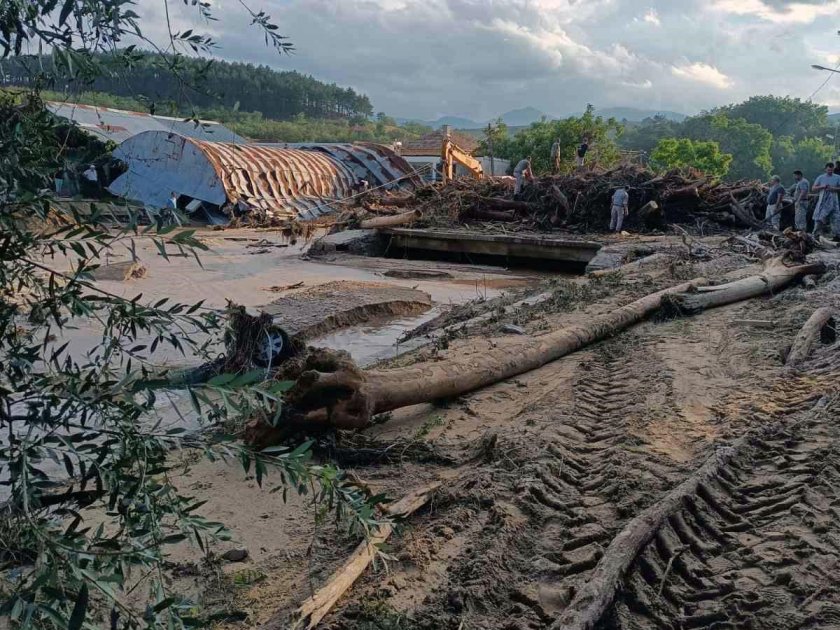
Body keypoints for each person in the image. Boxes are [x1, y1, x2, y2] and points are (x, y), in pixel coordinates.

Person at [812, 162, 840, 238]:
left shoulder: (837, 177)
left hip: (834, 199)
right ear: (825, 169)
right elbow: (813, 188)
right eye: (828, 170)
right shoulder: (821, 177)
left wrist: (833, 188)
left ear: (833, 169)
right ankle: (816, 234)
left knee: (836, 217)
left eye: (831, 170)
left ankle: (837, 235)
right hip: (823, 199)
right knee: (819, 216)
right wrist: (822, 186)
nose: (830, 172)